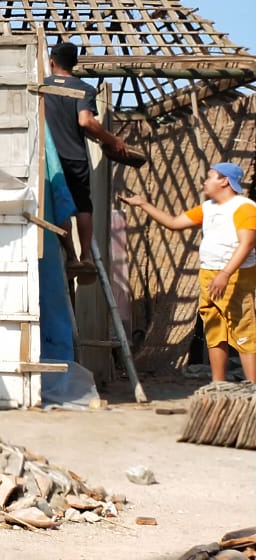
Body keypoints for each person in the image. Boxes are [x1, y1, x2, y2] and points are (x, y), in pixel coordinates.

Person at [120, 163, 256, 383]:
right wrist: (143, 204)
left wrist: (225, 273)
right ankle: (218, 385)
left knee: (242, 329)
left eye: (210, 177)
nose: (205, 181)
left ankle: (253, 388)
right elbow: (174, 223)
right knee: (215, 328)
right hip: (209, 273)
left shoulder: (244, 208)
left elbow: (247, 243)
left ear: (224, 181)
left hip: (235, 275)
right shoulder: (209, 207)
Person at [43, 41, 129, 278]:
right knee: (82, 205)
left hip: (51, 158)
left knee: (59, 204)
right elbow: (85, 121)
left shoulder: (42, 87)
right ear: (75, 63)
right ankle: (86, 257)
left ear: (52, 62)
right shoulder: (84, 88)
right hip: (76, 157)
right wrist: (112, 140)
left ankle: (71, 256)